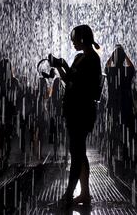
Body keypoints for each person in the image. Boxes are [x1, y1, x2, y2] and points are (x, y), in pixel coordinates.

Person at [51, 25, 102, 207]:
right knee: (79, 153)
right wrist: (60, 68)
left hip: (82, 112)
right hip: (74, 112)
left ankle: (68, 196)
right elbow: (69, 81)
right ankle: (85, 195)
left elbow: (82, 86)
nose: (72, 41)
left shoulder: (92, 59)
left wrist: (64, 66)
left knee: (77, 153)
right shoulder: (80, 57)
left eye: (74, 38)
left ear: (82, 39)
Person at [105, 44, 135, 169]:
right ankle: (126, 154)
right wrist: (124, 53)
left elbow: (106, 65)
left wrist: (114, 54)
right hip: (126, 104)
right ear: (123, 59)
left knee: (112, 130)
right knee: (127, 130)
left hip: (112, 104)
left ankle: (110, 152)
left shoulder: (110, 71)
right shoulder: (127, 71)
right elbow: (132, 66)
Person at [0, 58, 20, 169]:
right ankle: (6, 157)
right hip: (10, 111)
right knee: (8, 135)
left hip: (0, 111)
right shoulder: (14, 81)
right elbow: (18, 95)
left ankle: (1, 155)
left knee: (1, 135)